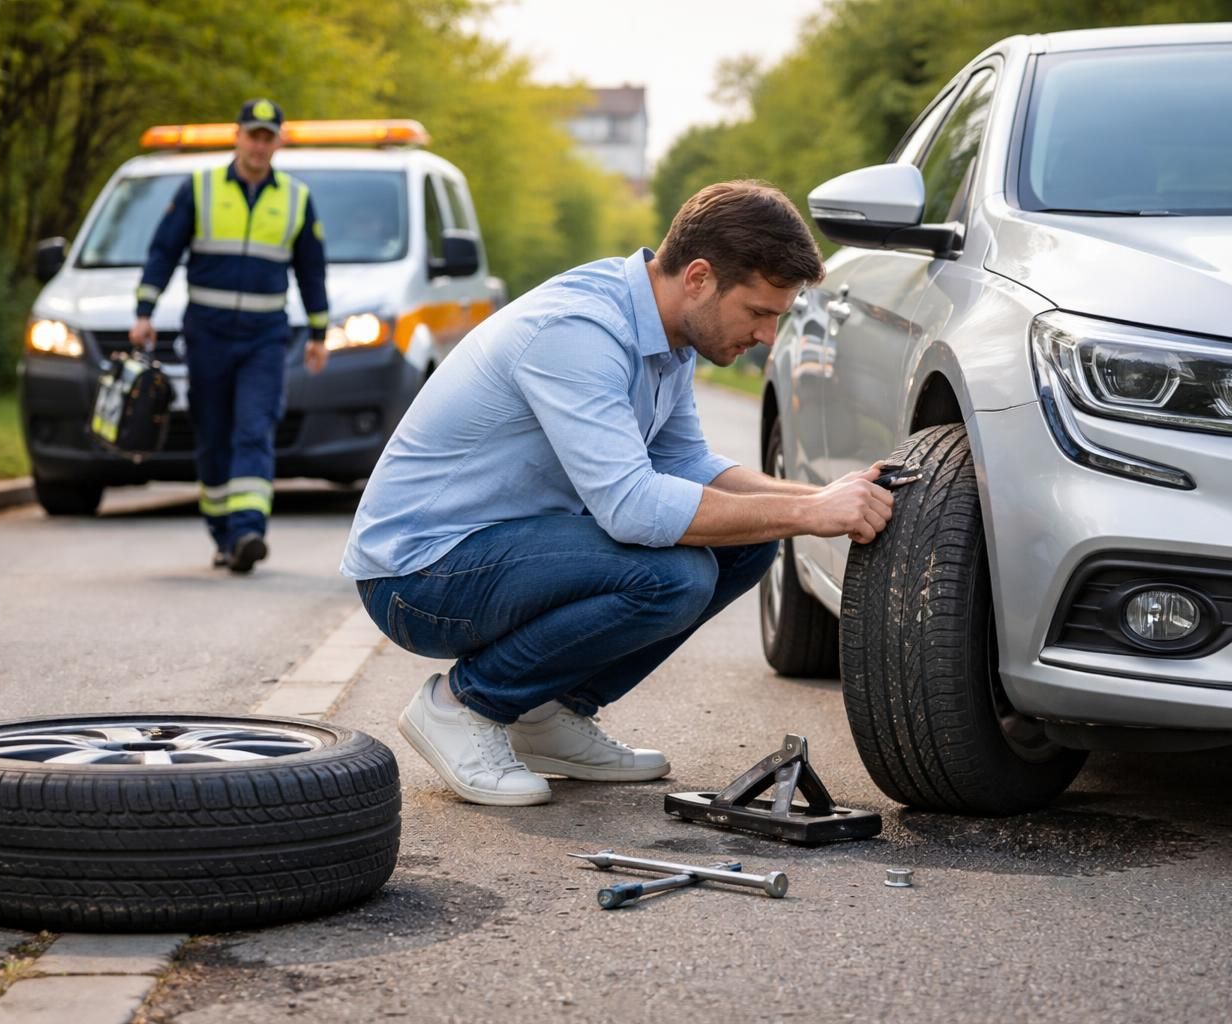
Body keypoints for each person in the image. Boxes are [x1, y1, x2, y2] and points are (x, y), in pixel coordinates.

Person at [341, 181, 901, 806]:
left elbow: (686, 463)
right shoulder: (581, 330)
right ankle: (463, 704)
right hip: (419, 577)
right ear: (698, 278)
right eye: (760, 313)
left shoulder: (670, 337)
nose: (768, 336)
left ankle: (545, 713)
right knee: (674, 575)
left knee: (748, 544)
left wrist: (822, 497)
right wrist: (809, 513)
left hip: (502, 553)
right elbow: (632, 507)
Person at [130, 98, 330, 574]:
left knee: (254, 426)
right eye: (252, 135)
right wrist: (144, 310)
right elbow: (163, 251)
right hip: (208, 334)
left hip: (264, 336)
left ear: (278, 142)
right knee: (213, 432)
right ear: (236, 136)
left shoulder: (296, 199)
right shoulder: (199, 188)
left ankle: (248, 529)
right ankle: (222, 534)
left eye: (268, 136)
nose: (259, 145)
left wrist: (320, 331)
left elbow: (312, 271)